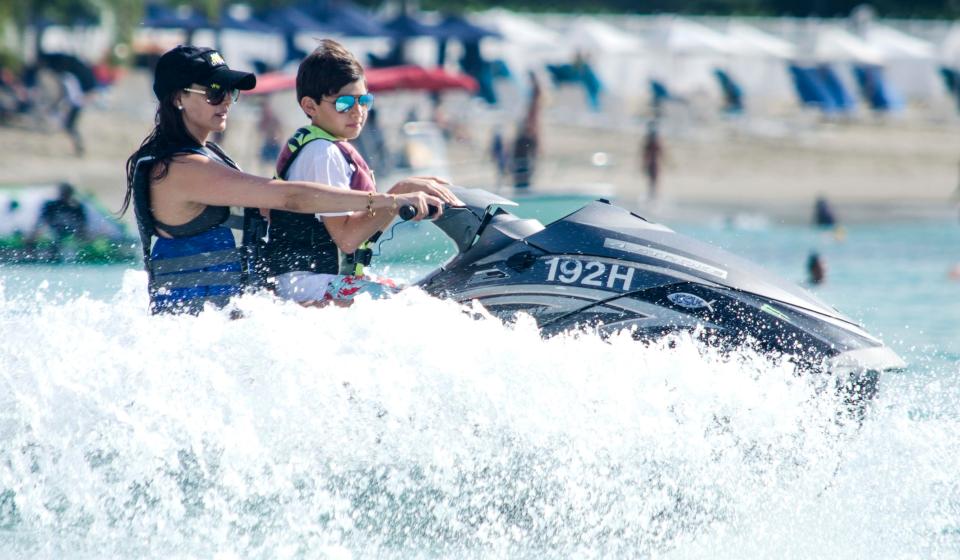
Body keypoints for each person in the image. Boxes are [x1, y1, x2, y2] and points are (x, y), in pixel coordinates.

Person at [121, 45, 443, 315]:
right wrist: (390, 201)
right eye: (215, 92)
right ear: (178, 97)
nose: (227, 102)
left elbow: (275, 213)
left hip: (237, 319)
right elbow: (288, 197)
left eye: (230, 92)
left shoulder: (210, 157)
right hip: (196, 328)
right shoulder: (178, 169)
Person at [264, 39, 462, 306]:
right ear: (310, 106)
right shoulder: (322, 152)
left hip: (318, 280)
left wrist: (402, 192)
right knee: (420, 305)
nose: (358, 111)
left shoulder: (327, 146)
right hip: (306, 284)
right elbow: (347, 239)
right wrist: (396, 195)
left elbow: (357, 234)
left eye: (364, 100)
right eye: (344, 103)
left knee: (426, 296)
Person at [640, 120, 664, 200]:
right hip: (653, 163)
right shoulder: (651, 141)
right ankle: (652, 196)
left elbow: (660, 152)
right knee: (653, 181)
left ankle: (653, 196)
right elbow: (646, 154)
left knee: (653, 181)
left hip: (653, 163)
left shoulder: (651, 141)